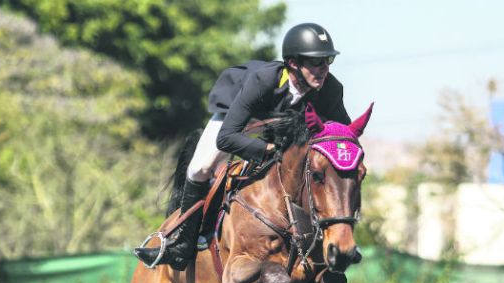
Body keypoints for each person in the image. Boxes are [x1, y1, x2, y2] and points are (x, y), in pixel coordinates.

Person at [134, 22, 351, 270]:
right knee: (200, 168)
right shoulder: (263, 80)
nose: (324, 69)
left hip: (278, 125)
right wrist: (267, 152)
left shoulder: (331, 90)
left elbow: (342, 136)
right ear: (293, 63)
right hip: (240, 117)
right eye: (317, 63)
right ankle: (182, 243)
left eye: (328, 62)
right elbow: (226, 138)